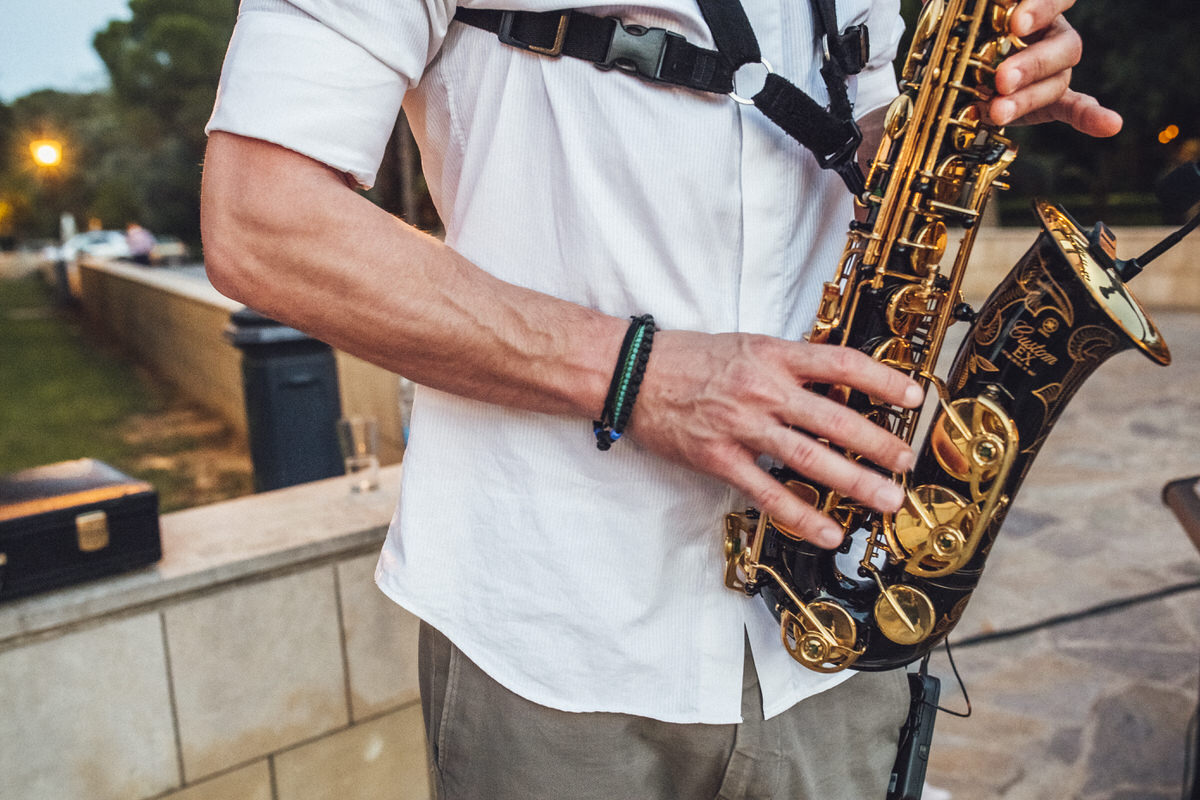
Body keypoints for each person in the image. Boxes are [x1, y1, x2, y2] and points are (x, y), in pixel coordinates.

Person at [201, 0, 1121, 797]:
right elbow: (261, 220)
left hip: (840, 613)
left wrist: (946, 116)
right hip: (557, 635)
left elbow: (832, 128)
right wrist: (637, 373)